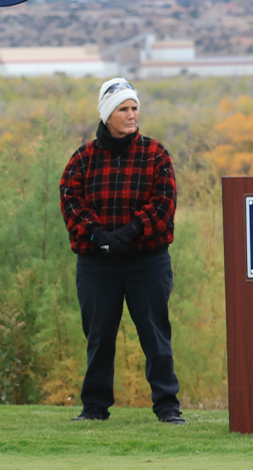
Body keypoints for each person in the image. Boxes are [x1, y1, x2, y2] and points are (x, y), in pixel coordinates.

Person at [59, 78, 185, 425]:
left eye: (134, 108)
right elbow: (71, 200)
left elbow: (163, 204)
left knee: (155, 335)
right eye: (123, 109)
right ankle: (95, 407)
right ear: (106, 114)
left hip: (148, 261)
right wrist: (99, 236)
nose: (131, 115)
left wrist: (128, 234)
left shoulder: (155, 153)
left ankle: (167, 407)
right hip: (97, 264)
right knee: (99, 337)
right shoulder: (83, 158)